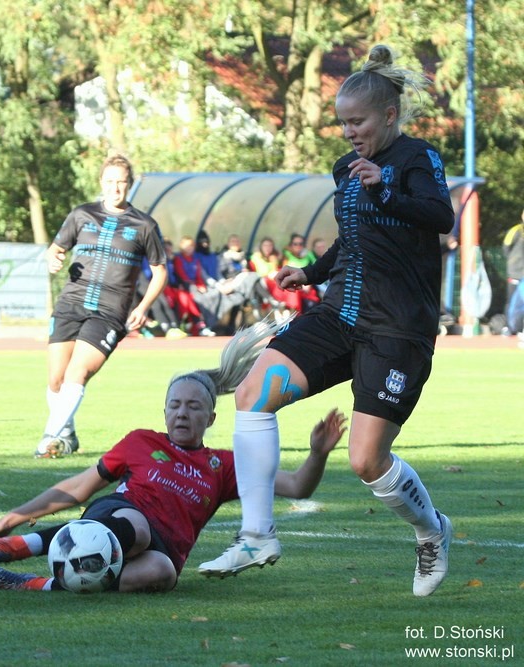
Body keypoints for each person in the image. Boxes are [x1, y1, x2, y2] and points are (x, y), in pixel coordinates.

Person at [197, 45, 455, 598]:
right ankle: (256, 536)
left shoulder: (417, 158)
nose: (349, 133)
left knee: (366, 460)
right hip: (339, 313)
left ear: (389, 115)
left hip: (397, 329)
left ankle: (431, 531)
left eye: (358, 122)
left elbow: (440, 216)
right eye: (343, 123)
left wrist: (385, 186)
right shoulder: (345, 168)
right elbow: (352, 237)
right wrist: (311, 273)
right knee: (252, 394)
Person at [0, 317, 346, 593]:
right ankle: (13, 548)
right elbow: (79, 488)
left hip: (163, 548)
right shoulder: (142, 442)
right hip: (117, 518)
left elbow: (297, 486)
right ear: (164, 412)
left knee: (162, 573)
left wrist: (317, 454)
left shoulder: (223, 466)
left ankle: (32, 584)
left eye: (193, 407)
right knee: (138, 527)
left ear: (211, 417)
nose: (182, 413)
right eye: (175, 405)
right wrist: (11, 520)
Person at [35, 154, 167, 458]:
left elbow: (160, 271)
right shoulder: (82, 214)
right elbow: (55, 248)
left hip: (109, 312)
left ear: (130, 185)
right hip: (70, 303)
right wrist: (53, 258)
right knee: (56, 379)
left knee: (77, 372)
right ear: (101, 183)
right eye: (110, 181)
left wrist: (143, 306)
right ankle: (68, 436)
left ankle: (48, 439)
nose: (115, 188)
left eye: (121, 182)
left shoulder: (145, 225)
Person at [501, 210, 523, 335]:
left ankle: (520, 327)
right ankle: (508, 327)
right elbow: (506, 248)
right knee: (512, 300)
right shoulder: (516, 230)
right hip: (516, 273)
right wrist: (514, 263)